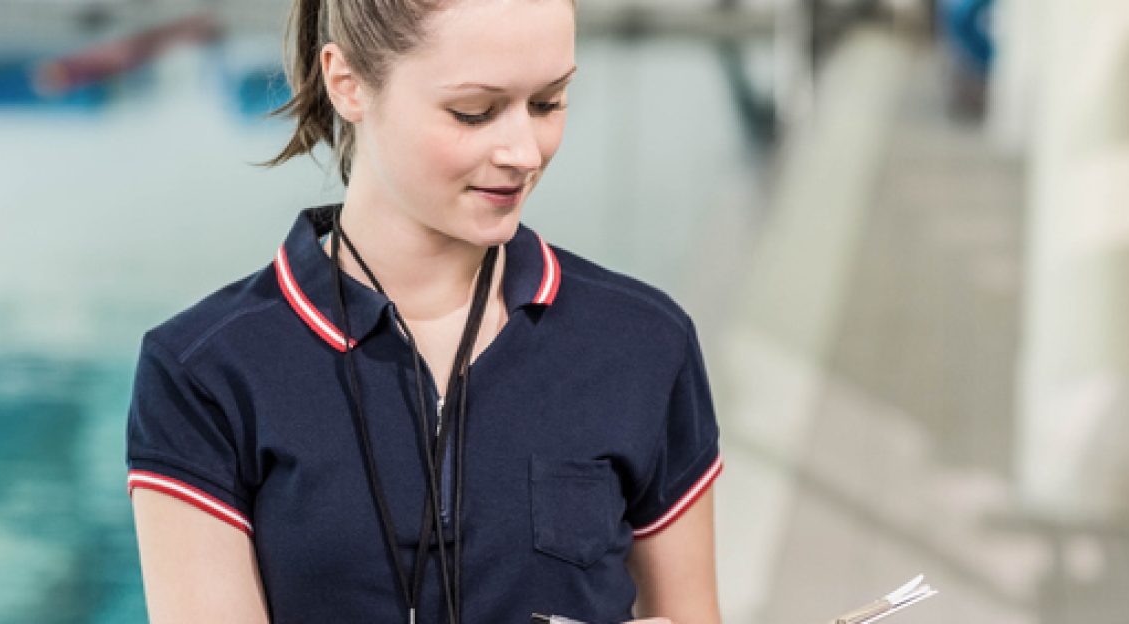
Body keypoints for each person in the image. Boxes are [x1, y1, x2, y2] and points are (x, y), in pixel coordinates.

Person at [126, 0, 723, 621]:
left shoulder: (645, 342)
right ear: (347, 84)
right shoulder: (203, 374)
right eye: (475, 112)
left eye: (547, 102)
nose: (524, 152)